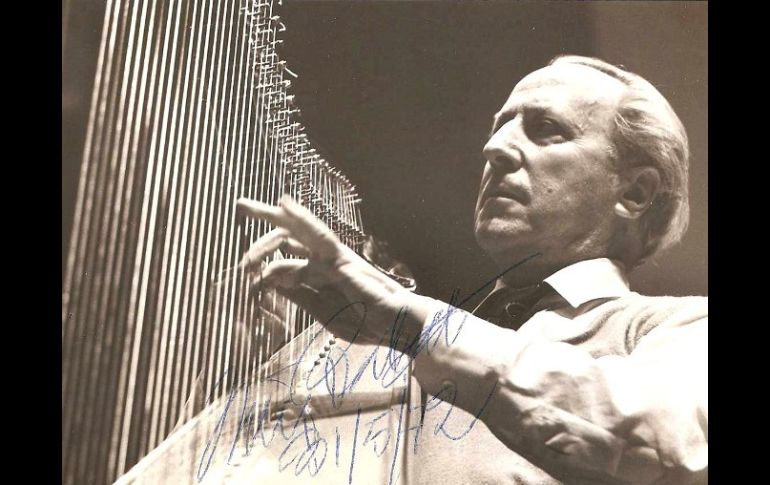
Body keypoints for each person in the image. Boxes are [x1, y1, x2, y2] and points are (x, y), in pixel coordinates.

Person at [235, 55, 707, 484]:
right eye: (499, 126)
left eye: (546, 128)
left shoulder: (681, 326)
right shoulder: (392, 349)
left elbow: (662, 440)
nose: (495, 148)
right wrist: (241, 379)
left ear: (635, 193)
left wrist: (413, 322)